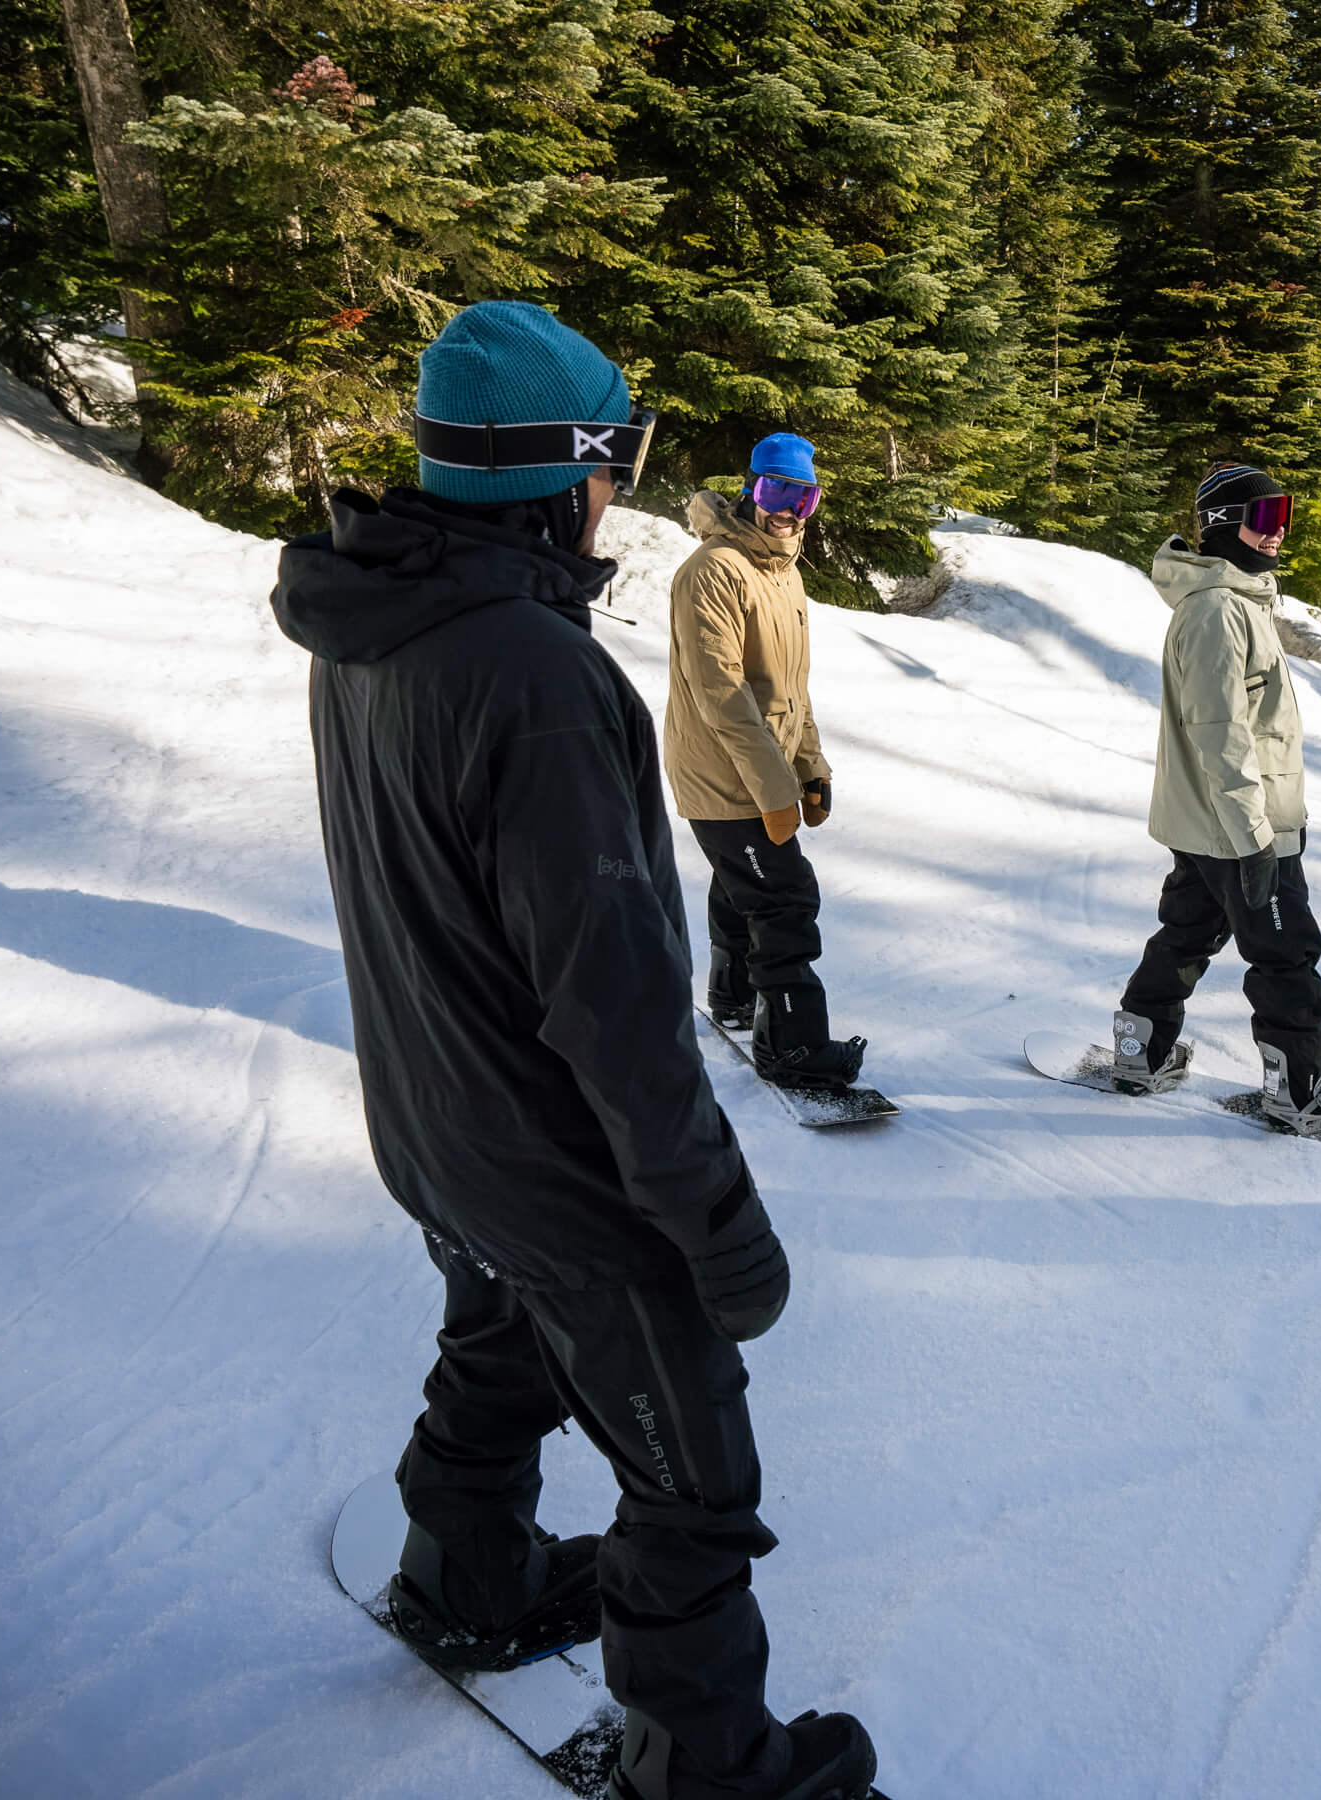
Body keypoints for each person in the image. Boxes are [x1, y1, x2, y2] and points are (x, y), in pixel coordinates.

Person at [271, 302, 877, 1800]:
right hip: (549, 1158)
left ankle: (465, 1566)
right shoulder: (538, 678)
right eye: (613, 456)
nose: (619, 490)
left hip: (434, 1126)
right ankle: (704, 1763)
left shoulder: (374, 623)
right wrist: (717, 1232)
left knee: (500, 1331)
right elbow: (613, 1010)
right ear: (557, 468)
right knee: (693, 1469)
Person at [1111, 461, 1321, 1133]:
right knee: (1285, 953)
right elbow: (1222, 736)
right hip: (1242, 824)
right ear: (1227, 525)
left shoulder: (1231, 602)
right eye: (1265, 518)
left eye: (1283, 516)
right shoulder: (1218, 611)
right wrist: (1258, 837)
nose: (1278, 531)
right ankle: (1300, 1091)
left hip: (1206, 820)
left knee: (1189, 931)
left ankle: (1141, 1051)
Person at [664, 432, 861, 1090]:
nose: (787, 509)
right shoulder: (713, 570)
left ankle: (734, 996)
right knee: (783, 899)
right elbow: (720, 693)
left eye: (801, 497)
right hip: (722, 774)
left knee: (741, 884)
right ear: (751, 488)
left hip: (764, 768)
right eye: (777, 490)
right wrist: (776, 791)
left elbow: (790, 690)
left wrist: (811, 768)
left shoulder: (783, 570)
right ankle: (793, 1050)